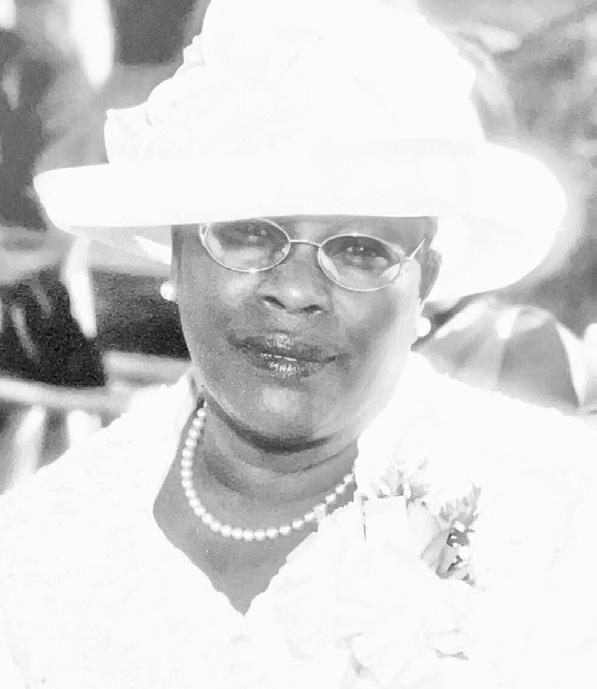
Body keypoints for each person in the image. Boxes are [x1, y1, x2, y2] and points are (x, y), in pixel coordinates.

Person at [2, 0, 597, 687]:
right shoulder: (39, 550)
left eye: (359, 249)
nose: (293, 290)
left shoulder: (563, 510)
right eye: (248, 233)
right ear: (177, 253)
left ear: (425, 281)